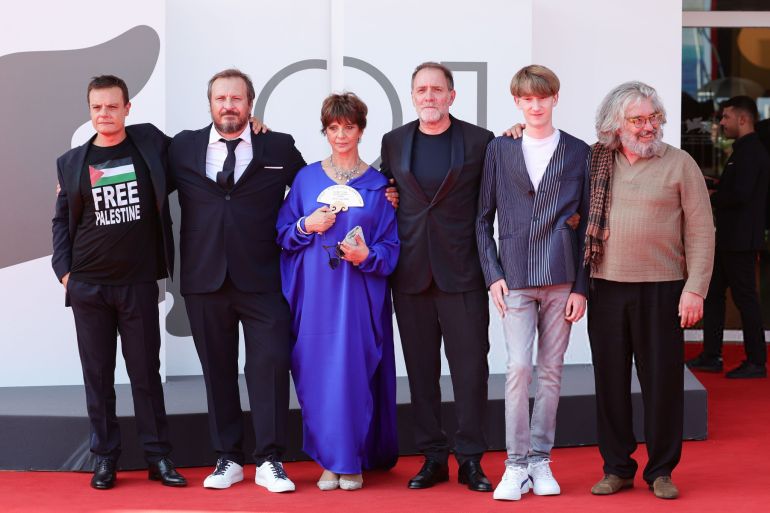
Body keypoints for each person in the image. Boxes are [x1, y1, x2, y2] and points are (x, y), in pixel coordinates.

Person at [168, 69, 306, 492]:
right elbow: (135, 163)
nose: (228, 105)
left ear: (250, 104)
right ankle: (227, 457)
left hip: (263, 279)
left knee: (268, 368)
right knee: (219, 371)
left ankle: (270, 459)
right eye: (220, 99)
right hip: (204, 279)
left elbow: (311, 188)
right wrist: (77, 176)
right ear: (209, 103)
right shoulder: (182, 147)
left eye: (236, 99)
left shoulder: (278, 145)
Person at [52, 75, 186, 490]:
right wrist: (65, 273)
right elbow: (61, 221)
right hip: (89, 285)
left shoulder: (151, 145)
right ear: (89, 110)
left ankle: (158, 457)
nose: (104, 114)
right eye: (97, 108)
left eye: (112, 106)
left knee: (146, 374)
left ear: (128, 108)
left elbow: (200, 147)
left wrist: (254, 125)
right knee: (98, 376)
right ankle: (105, 459)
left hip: (138, 284)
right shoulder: (72, 162)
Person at [584, 82, 714, 499]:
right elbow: (544, 154)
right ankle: (617, 468)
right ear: (615, 124)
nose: (647, 127)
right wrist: (516, 130)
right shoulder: (593, 160)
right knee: (610, 383)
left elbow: (701, 231)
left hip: (663, 289)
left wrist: (695, 289)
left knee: (662, 385)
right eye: (637, 120)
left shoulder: (681, 164)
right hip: (604, 287)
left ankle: (661, 470)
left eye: (652, 118)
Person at [476, 65, 589, 501]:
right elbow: (482, 218)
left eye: (543, 97)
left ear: (555, 99)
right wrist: (493, 275)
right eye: (527, 98)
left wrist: (582, 286)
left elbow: (587, 226)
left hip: (562, 277)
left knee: (552, 373)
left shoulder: (579, 151)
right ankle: (515, 465)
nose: (536, 105)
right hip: (516, 278)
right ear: (518, 103)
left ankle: (541, 459)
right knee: (520, 369)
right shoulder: (499, 150)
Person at [380, 62, 495, 492]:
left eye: (437, 89)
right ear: (413, 96)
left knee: (470, 372)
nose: (428, 96)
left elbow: (504, 189)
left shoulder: (481, 142)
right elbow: (378, 188)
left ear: (452, 95)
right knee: (421, 372)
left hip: (463, 273)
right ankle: (432, 457)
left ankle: (470, 459)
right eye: (421, 90)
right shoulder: (394, 142)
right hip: (410, 276)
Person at [276, 92, 399, 491]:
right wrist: (306, 226)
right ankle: (328, 460)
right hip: (314, 299)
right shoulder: (306, 179)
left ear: (361, 130)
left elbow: (392, 247)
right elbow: (283, 233)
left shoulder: (380, 186)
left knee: (353, 372)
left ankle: (351, 460)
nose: (341, 135)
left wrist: (368, 255)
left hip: (358, 298)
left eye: (349, 127)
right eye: (333, 128)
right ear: (325, 131)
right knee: (315, 375)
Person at [687, 95, 769, 379]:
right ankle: (712, 355)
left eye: (726, 117)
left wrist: (714, 196)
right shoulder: (744, 151)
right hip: (730, 239)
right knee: (713, 297)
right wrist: (716, 188)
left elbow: (742, 195)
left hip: (740, 240)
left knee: (745, 300)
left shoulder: (751, 152)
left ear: (743, 119)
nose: (721, 123)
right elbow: (737, 189)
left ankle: (756, 361)